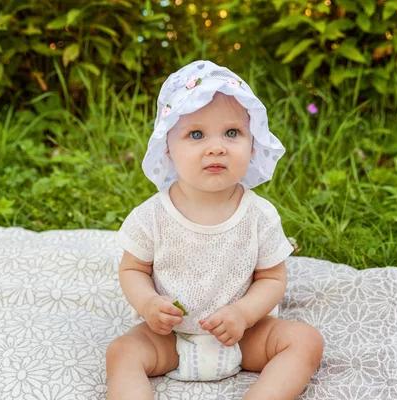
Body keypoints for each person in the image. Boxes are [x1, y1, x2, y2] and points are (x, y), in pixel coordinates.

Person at [106, 60, 324, 400]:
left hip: (245, 336)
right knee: (122, 351)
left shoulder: (259, 215)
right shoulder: (151, 215)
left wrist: (243, 313)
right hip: (169, 338)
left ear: (253, 145)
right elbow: (133, 269)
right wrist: (149, 304)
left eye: (232, 133)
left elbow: (272, 278)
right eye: (196, 134)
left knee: (306, 341)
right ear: (167, 147)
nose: (217, 146)